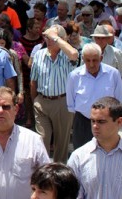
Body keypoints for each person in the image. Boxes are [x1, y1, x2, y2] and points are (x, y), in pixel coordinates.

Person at [30, 25, 79, 163]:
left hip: (62, 102)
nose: (49, 40)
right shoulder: (39, 54)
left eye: (52, 38)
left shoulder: (68, 56)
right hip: (42, 102)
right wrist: (35, 101)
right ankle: (43, 169)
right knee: (42, 139)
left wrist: (56, 38)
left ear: (61, 39)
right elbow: (33, 81)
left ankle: (59, 169)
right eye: (47, 37)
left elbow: (74, 54)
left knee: (61, 142)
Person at [66, 43, 122, 149]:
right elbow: (71, 103)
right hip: (83, 122)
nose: (91, 64)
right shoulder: (74, 76)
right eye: (88, 60)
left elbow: (118, 99)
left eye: (95, 60)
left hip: (107, 122)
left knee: (108, 152)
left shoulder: (113, 74)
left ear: (101, 58)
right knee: (82, 153)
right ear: (83, 59)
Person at [67, 97, 122, 199]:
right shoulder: (78, 157)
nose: (95, 126)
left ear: (119, 122)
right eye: (92, 121)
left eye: (101, 121)